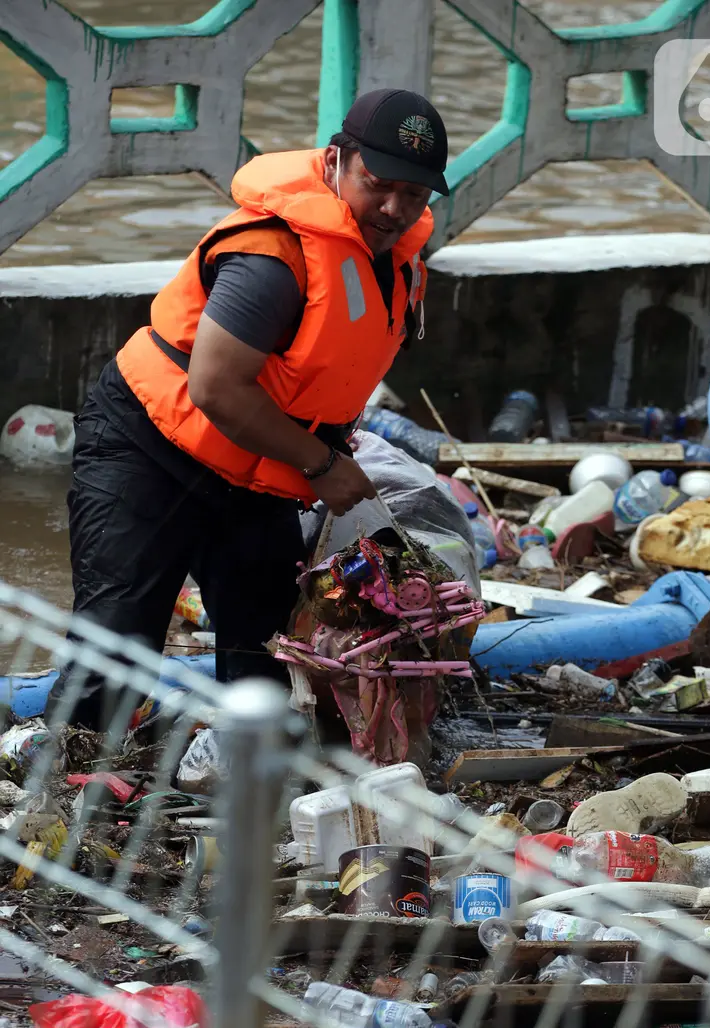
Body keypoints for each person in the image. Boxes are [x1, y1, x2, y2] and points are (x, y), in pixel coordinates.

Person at [48, 88, 449, 730]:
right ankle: (66, 782)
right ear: (336, 160)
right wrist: (322, 465)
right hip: (150, 446)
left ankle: (243, 792)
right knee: (116, 646)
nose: (396, 209)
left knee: (266, 657)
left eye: (417, 195)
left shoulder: (392, 258)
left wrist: (325, 454)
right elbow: (216, 388)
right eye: (379, 185)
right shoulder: (274, 256)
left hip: (258, 468)